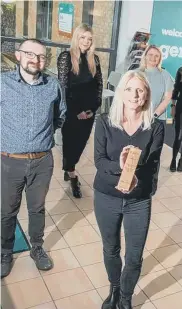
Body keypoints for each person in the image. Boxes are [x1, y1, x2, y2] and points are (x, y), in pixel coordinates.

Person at [93, 71, 164, 309]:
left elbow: (153, 164)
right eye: (129, 89)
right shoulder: (104, 122)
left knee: (134, 256)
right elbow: (100, 162)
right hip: (107, 196)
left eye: (140, 90)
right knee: (111, 248)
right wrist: (120, 166)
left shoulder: (155, 127)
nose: (134, 95)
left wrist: (138, 178)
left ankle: (125, 297)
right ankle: (114, 288)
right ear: (121, 92)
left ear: (147, 95)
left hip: (138, 200)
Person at [1, 39, 66, 278]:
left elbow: (61, 116)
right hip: (9, 161)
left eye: (41, 56)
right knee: (7, 211)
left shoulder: (53, 85)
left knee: (37, 209)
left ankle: (37, 248)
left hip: (42, 161)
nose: (35, 60)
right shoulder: (3, 83)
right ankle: (4, 252)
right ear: (18, 55)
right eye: (30, 54)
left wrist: (42, 138)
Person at [57, 23, 103, 198]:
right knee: (70, 144)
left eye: (89, 39)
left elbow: (99, 86)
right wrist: (76, 111)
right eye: (83, 37)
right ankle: (72, 175)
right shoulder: (65, 57)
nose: (86, 41)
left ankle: (69, 168)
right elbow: (63, 89)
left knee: (80, 145)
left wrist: (92, 109)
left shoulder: (94, 59)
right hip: (71, 112)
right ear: (76, 38)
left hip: (89, 112)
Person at [139, 44, 174, 123]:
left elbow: (168, 98)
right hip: (138, 118)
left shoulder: (165, 75)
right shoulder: (136, 73)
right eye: (150, 55)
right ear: (145, 56)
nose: (153, 58)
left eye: (156, 56)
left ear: (160, 59)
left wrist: (154, 115)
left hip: (157, 119)